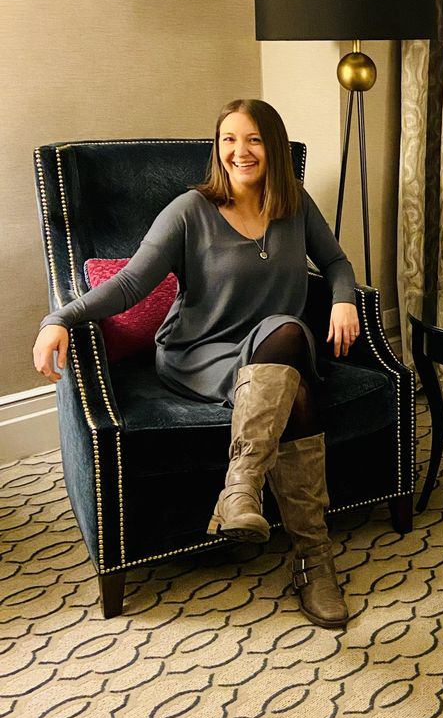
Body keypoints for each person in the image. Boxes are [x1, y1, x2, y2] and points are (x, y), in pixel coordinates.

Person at [32, 99, 359, 630]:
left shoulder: (294, 204)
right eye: (228, 139)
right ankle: (311, 560)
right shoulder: (190, 210)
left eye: (252, 139)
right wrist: (60, 317)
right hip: (198, 352)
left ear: (271, 146)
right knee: (293, 384)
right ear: (217, 148)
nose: (239, 151)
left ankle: (241, 493)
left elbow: (337, 262)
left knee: (289, 334)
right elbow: (131, 285)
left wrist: (343, 298)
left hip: (270, 348)